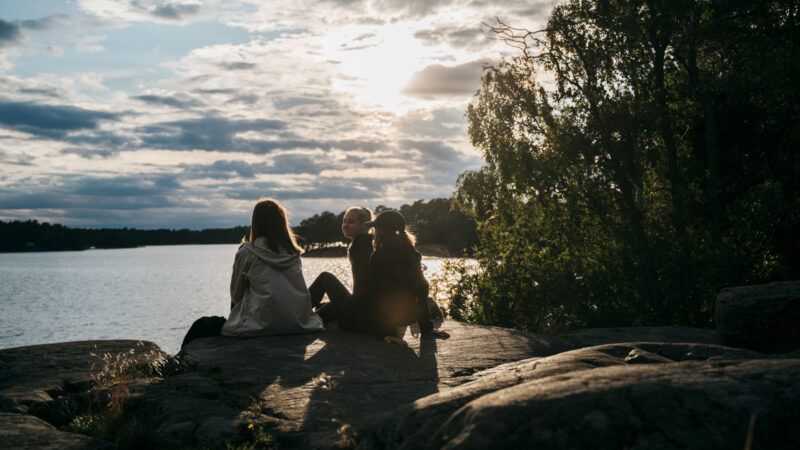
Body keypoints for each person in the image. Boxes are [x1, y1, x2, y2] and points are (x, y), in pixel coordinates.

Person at [181, 198, 322, 348]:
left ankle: (177, 366)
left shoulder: (247, 252)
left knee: (201, 325)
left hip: (259, 326)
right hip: (298, 324)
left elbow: (236, 295)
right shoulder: (293, 254)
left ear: (256, 222)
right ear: (281, 223)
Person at [317, 210, 449, 345]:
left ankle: (302, 317)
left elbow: (380, 296)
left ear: (381, 231)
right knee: (331, 306)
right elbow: (422, 288)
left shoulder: (379, 256)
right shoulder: (413, 254)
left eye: (375, 229)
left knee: (325, 278)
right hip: (399, 318)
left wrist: (387, 333)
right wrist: (426, 328)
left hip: (359, 319)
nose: (374, 232)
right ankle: (311, 316)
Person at [309, 206, 373, 309]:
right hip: (362, 304)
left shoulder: (360, 244)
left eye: (351, 222)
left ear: (363, 225)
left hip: (360, 308)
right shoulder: (369, 242)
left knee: (325, 278)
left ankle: (298, 312)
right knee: (323, 307)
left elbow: (361, 287)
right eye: (344, 221)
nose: (345, 225)